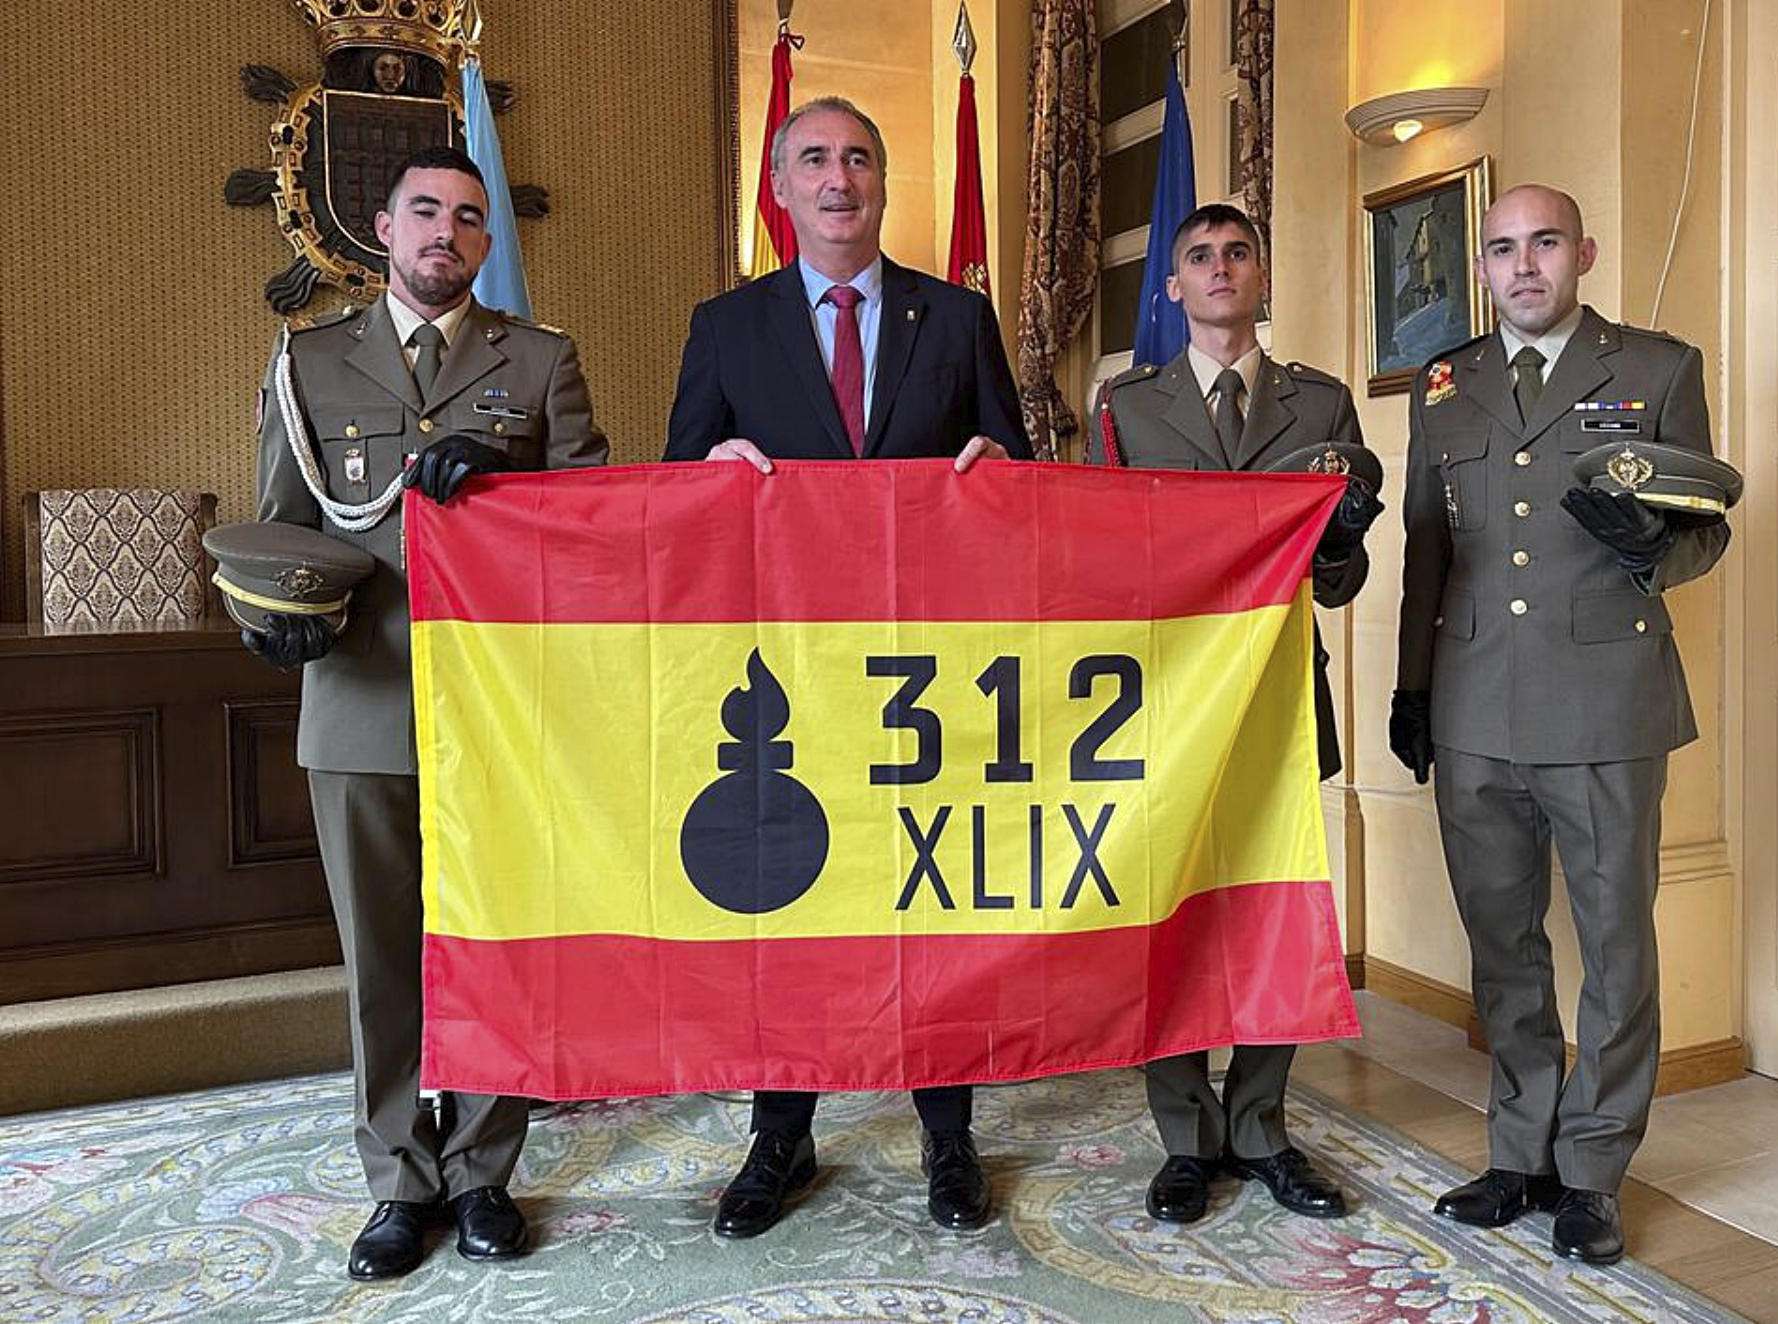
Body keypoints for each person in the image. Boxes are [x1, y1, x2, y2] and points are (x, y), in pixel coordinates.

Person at [665, 95, 1030, 1238]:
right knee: (793, 905)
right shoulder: (726, 326)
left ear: (883, 182)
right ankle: (782, 1133)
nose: (839, 177)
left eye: (859, 157)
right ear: (781, 187)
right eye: (814, 159)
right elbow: (676, 493)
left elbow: (1017, 467)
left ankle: (949, 1129)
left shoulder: (959, 317)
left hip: (928, 675)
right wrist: (709, 468)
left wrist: (997, 467)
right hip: (789, 678)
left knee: (935, 896)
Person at [249, 144, 607, 1281]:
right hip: (358, 700)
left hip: (502, 706)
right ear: (383, 229)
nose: (443, 232)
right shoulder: (311, 362)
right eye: (423, 213)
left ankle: (483, 1171)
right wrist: (273, 624)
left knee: (497, 946)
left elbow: (592, 526)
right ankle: (400, 1181)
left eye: (465, 217)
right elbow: (278, 530)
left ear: (486, 242)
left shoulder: (539, 361)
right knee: (385, 961)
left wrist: (502, 487)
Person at [1389, 184, 1731, 1264]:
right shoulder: (1445, 384)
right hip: (1475, 702)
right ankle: (1520, 1150)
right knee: (1504, 948)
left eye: (1543, 243)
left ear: (1582, 250)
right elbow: (1426, 549)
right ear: (1479, 267)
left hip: (1604, 702)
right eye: (1501, 248)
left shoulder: (1655, 368)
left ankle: (1591, 1170)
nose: (1524, 264)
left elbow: (1701, 535)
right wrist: (1412, 689)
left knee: (1617, 950)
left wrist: (1650, 545)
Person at [1085, 202, 1382, 1225]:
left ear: (1262, 275)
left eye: (1237, 253)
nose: (1219, 269)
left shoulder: (1323, 402)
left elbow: (1340, 578)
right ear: (1174, 288)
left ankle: (1261, 1125)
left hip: (1282, 695)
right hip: (1167, 700)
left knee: (1274, 912)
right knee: (1169, 913)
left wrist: (1340, 538)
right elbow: (1100, 564)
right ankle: (1183, 1132)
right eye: (1200, 258)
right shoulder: (1126, 405)